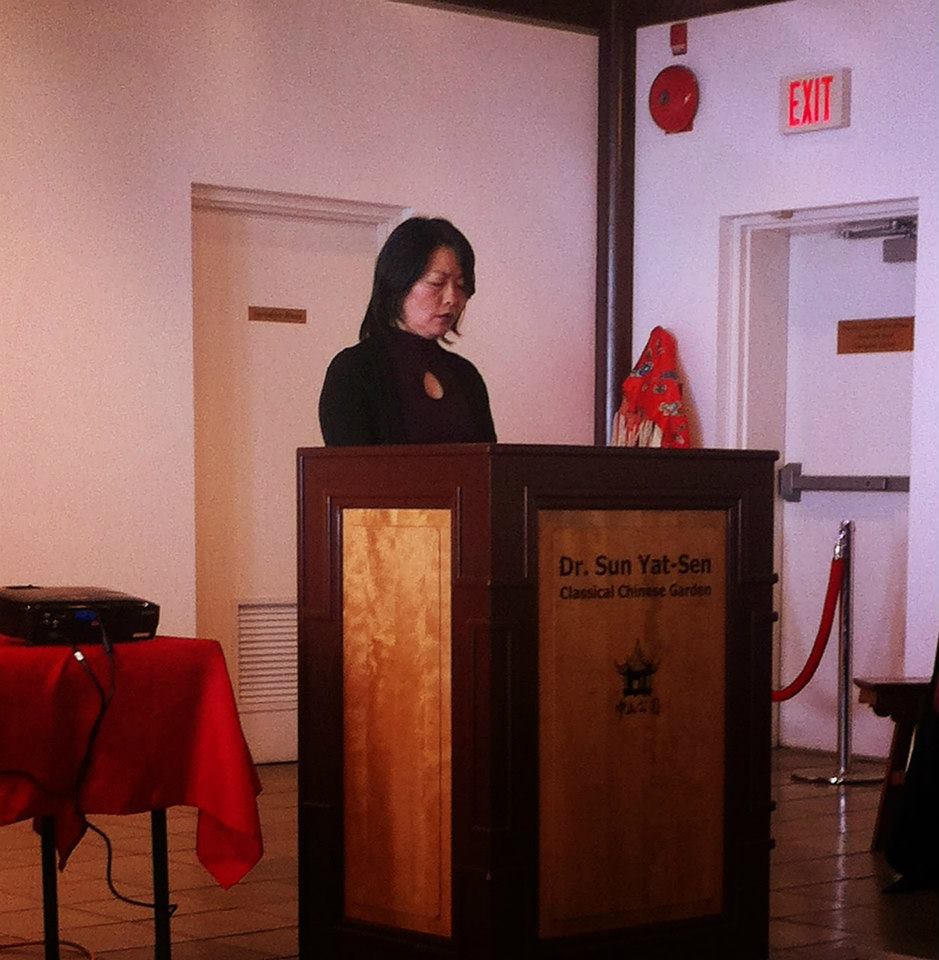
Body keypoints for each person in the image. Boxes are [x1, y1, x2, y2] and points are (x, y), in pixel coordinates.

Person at [318, 216, 497, 446]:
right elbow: (351, 465)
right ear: (398, 284)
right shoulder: (354, 370)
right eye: (437, 282)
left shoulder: (465, 375)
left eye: (461, 285)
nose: (452, 298)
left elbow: (489, 462)